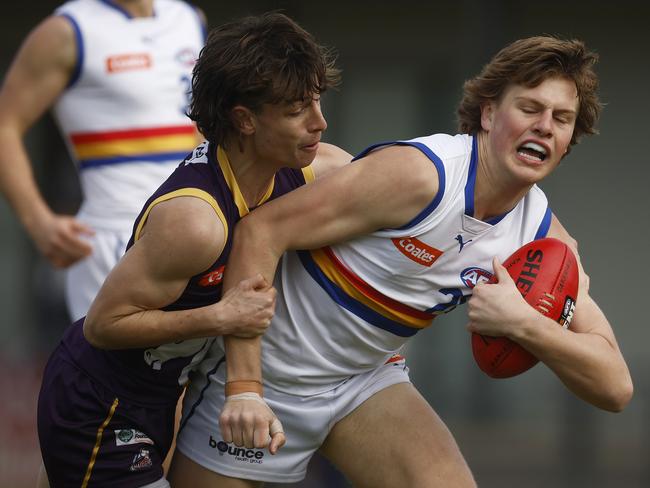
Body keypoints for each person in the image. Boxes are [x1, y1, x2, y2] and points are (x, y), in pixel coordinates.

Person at [170, 36, 634, 487]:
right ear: (489, 114)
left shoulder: (541, 240)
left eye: (562, 118)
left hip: (364, 380)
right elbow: (260, 232)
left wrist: (525, 325)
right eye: (529, 108)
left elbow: (615, 387)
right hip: (267, 376)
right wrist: (245, 388)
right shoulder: (421, 176)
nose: (545, 126)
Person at [36, 12, 346, 488]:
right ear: (244, 120)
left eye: (317, 102)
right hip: (96, 405)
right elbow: (103, 325)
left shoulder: (307, 167)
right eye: (295, 111)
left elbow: (393, 184)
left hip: (162, 399)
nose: (319, 123)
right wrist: (220, 318)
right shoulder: (196, 221)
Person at [0, 0, 206, 322]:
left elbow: (200, 127)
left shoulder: (188, 18)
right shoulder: (67, 30)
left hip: (202, 226)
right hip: (116, 239)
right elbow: (4, 125)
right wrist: (38, 222)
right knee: (115, 370)